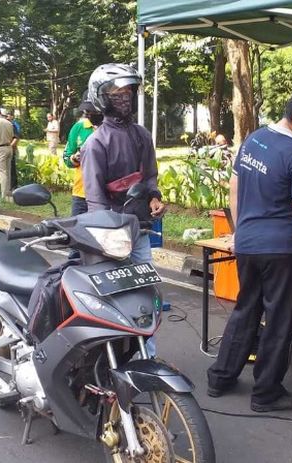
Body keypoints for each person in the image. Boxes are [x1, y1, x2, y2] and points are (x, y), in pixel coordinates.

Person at [206, 82, 292, 413]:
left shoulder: (254, 140)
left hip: (248, 244)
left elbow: (234, 189)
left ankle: (220, 377)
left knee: (246, 308)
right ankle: (266, 392)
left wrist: (241, 230)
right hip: (281, 251)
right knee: (280, 319)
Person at [83, 63, 166, 356]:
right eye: (116, 92)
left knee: (146, 294)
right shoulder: (96, 143)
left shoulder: (142, 135)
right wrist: (109, 241)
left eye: (128, 91)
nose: (124, 97)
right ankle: (116, 357)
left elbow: (150, 176)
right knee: (117, 298)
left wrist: (154, 198)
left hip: (141, 229)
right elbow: (95, 200)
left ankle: (148, 356)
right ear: (102, 97)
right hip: (113, 237)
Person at [64, 100, 103, 216]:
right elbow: (66, 157)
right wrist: (74, 158)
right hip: (81, 193)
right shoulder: (78, 127)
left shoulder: (111, 129)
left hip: (104, 195)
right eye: (88, 111)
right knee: (77, 230)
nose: (90, 114)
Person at [0, 107, 15, 201]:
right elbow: (12, 137)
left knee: (2, 172)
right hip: (9, 147)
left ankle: (4, 195)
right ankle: (8, 194)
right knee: (8, 171)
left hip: (0, 148)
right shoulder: (9, 122)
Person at [3, 109, 20, 190]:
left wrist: (11, 146)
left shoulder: (13, 125)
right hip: (4, 148)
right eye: (6, 116)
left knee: (12, 167)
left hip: (11, 148)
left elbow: (16, 137)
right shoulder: (2, 125)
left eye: (8, 115)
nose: (7, 117)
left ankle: (13, 185)